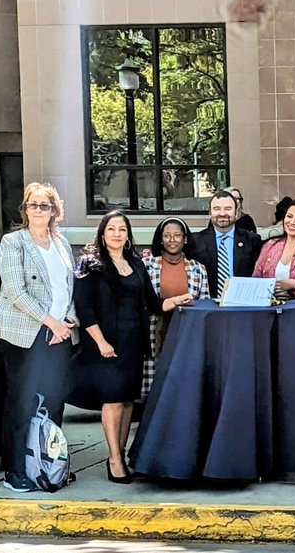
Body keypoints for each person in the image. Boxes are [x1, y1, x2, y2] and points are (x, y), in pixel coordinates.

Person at [70, 211, 193, 484]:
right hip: (105, 344)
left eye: (122, 229)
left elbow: (153, 303)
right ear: (102, 234)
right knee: (113, 400)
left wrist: (178, 300)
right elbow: (84, 308)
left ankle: (121, 454)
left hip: (134, 343)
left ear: (128, 235)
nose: (117, 234)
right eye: (111, 229)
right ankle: (114, 459)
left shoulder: (136, 264)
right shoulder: (90, 265)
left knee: (127, 402)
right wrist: (101, 342)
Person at [0, 182, 78, 493]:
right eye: (32, 204)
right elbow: (14, 291)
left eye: (44, 205)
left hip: (59, 332)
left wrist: (66, 322)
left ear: (54, 210)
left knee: (54, 401)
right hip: (24, 334)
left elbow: (69, 288)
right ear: (24, 209)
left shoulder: (62, 244)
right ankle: (15, 471)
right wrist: (51, 323)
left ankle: (49, 465)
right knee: (22, 402)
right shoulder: (14, 243)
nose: (38, 210)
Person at [140, 218, 210, 404]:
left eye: (177, 235)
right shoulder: (146, 265)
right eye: (167, 236)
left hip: (187, 333)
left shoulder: (198, 269)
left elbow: (204, 304)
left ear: (185, 239)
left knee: (184, 383)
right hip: (155, 331)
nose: (172, 240)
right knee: (155, 383)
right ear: (160, 239)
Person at [189, 190, 261, 298]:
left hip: (242, 304)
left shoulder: (252, 240)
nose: (222, 213)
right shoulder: (195, 241)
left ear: (236, 212)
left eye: (228, 208)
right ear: (210, 212)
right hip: (207, 306)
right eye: (217, 209)